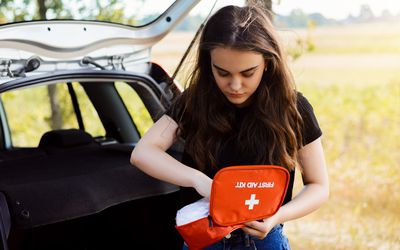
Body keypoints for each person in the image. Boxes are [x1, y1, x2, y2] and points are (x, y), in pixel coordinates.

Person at [130, 5, 329, 250]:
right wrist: (198, 180)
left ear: (267, 63)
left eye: (248, 73)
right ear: (208, 62)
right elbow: (143, 153)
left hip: (265, 240)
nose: (235, 85)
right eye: (222, 72)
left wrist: (277, 216)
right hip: (205, 238)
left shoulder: (293, 108)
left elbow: (318, 186)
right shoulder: (195, 102)